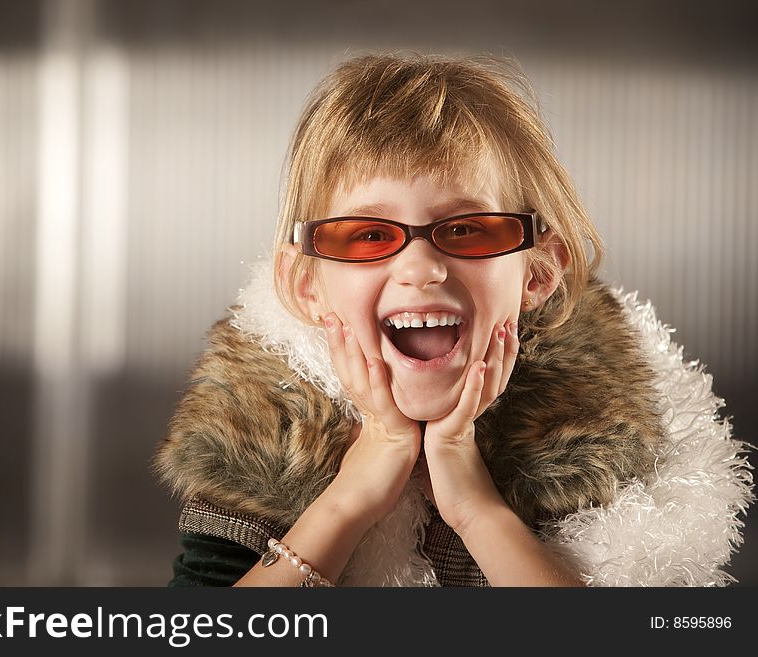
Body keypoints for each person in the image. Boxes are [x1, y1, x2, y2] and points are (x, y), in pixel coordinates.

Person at [154, 52, 754, 587]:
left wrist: (475, 507)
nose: (420, 267)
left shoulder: (603, 435)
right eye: (367, 234)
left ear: (537, 274)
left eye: (466, 230)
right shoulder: (260, 431)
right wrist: (349, 498)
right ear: (307, 285)